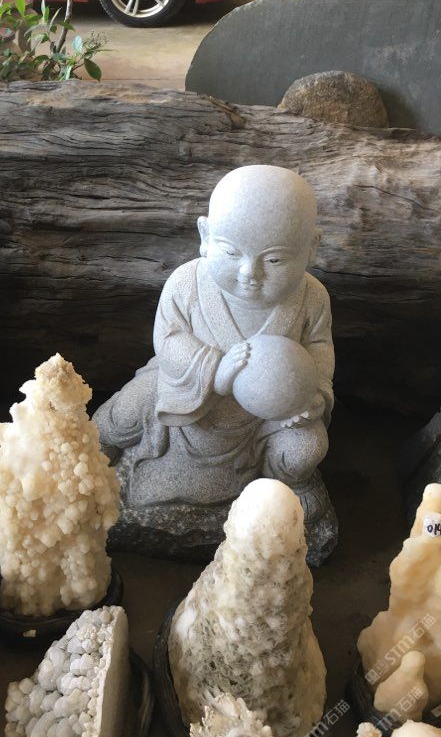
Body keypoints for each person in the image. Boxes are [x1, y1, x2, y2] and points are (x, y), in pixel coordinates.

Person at [94, 165, 334, 524]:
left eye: (274, 259)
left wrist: (309, 394)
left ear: (311, 247)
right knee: (127, 408)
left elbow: (319, 348)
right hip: (189, 395)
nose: (250, 273)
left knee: (307, 448)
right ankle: (97, 448)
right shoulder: (186, 283)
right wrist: (215, 371)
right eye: (232, 253)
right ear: (205, 236)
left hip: (267, 417)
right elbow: (168, 339)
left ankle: (285, 485)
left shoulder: (312, 297)